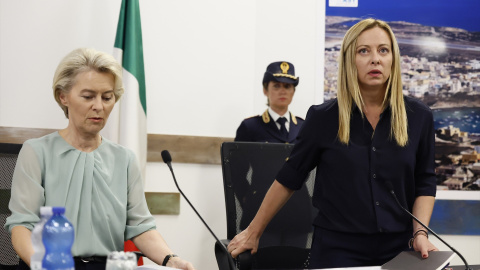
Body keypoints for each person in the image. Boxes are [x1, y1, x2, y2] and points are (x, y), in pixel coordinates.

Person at [227, 18, 438, 269]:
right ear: (350, 60)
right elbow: (290, 177)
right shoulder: (323, 117)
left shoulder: (419, 117)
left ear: (393, 58)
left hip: (399, 248)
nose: (375, 59)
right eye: (364, 51)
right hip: (338, 249)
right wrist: (253, 231)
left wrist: (420, 234)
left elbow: (425, 180)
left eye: (383, 50)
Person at [4, 48, 195, 270]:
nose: (99, 106)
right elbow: (22, 227)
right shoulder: (36, 152)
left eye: (107, 97)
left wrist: (172, 259)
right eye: (88, 96)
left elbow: (141, 227)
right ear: (62, 96)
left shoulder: (124, 159)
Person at [235, 61, 304, 143]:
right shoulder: (250, 127)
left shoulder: (303, 127)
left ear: (293, 92)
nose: (283, 91)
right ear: (265, 90)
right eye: (276, 86)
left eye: (287, 86)